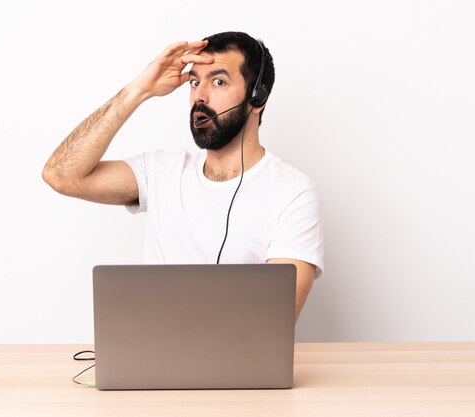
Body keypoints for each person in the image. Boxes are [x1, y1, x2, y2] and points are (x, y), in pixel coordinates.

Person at [42, 31, 323, 319]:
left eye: (218, 81)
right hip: (152, 356)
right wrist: (139, 89)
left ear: (256, 97)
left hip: (238, 360)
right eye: (194, 82)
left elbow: (274, 318)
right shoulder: (160, 172)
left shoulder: (292, 192)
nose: (199, 96)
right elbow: (60, 174)